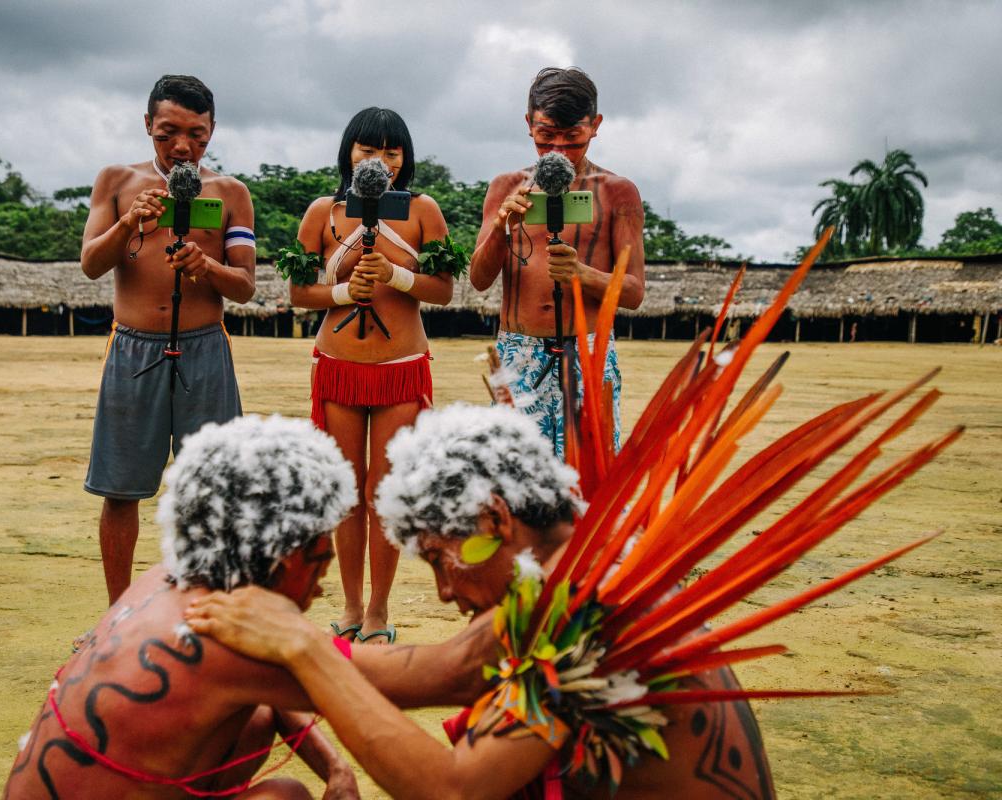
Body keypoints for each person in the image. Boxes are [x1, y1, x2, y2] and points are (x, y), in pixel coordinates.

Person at [186, 406, 774, 799]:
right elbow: (442, 670)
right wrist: (260, 647)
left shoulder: (578, 614)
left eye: (442, 560)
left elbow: (456, 790)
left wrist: (301, 646)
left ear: (494, 518)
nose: (444, 592)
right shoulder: (583, 567)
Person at [7, 415, 361, 799]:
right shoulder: (219, 631)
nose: (323, 581)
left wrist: (338, 770)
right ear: (282, 554)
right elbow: (398, 679)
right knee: (284, 796)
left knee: (260, 726)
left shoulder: (166, 580)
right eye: (321, 559)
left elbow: (269, 689)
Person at [274, 107, 464, 645]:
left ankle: (380, 610)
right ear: (347, 153)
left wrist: (398, 275)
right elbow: (297, 292)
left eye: (391, 151)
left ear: (405, 159)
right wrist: (342, 293)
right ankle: (352, 606)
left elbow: (444, 289)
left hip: (401, 370)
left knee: (384, 490)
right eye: (367, 149)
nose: (378, 160)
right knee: (347, 491)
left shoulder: (424, 211)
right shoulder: (322, 213)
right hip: (339, 369)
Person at [80, 74, 256, 604]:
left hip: (205, 346)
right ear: (147, 126)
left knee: (215, 489)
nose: (183, 146)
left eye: (197, 135)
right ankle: (117, 613)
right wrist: (129, 222)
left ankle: (209, 608)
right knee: (121, 488)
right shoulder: (116, 181)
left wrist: (206, 265)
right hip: (133, 347)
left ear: (212, 130)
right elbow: (91, 264)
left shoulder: (230, 193)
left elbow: (245, 286)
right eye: (167, 133)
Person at [470, 67, 646, 456]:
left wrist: (582, 274)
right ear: (528, 124)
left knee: (588, 480)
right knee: (512, 476)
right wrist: (502, 226)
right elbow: (479, 279)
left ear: (595, 126)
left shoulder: (618, 192)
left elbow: (633, 293)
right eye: (546, 137)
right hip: (518, 350)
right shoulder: (505, 186)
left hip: (588, 350)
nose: (558, 152)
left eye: (573, 139)